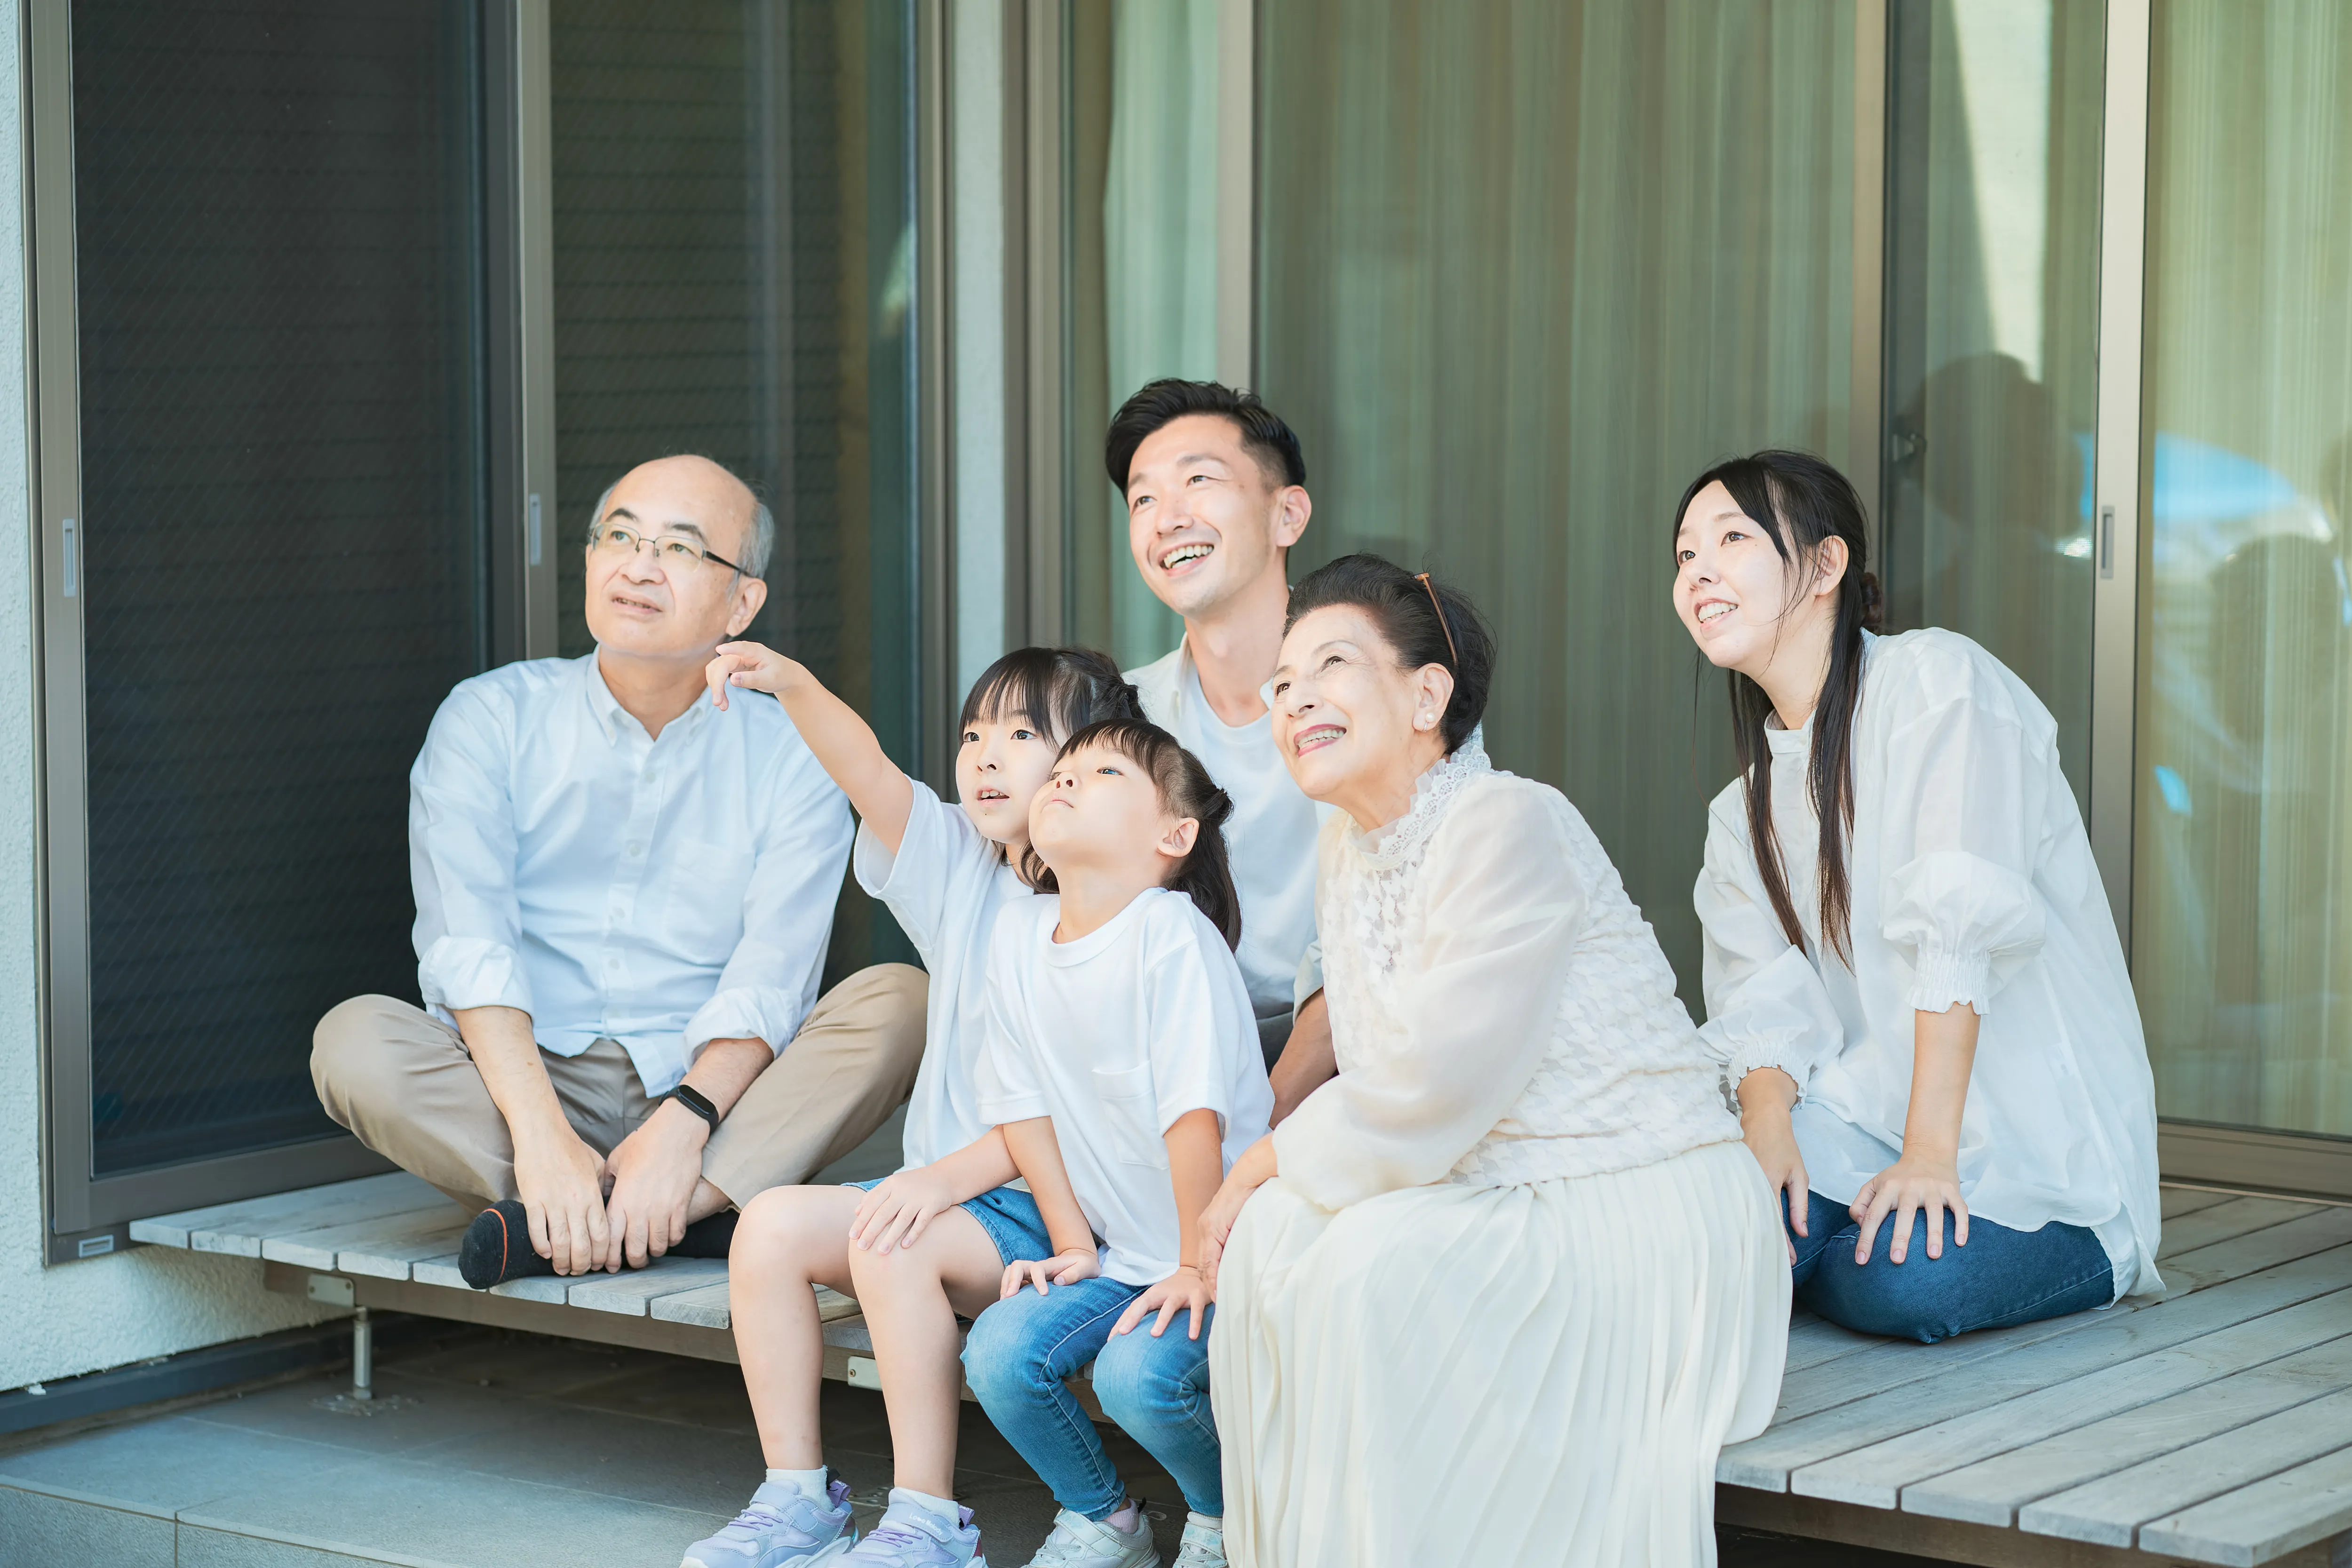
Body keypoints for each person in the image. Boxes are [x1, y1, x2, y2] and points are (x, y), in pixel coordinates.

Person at [1201, 557, 1786, 1568]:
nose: (1293, 699)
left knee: (1359, 1266)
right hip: (1484, 1172)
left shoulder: (1508, 819)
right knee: (1272, 1242)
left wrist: (1257, 1160)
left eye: (1330, 666)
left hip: (1634, 1194)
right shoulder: (1348, 842)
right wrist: (1268, 1182)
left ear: (1428, 694)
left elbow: (1435, 1084)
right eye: (1283, 682)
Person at [312, 455, 925, 1285]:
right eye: (620, 536)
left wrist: (686, 1121)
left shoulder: (793, 751)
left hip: (706, 1092)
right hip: (519, 1080)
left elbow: (771, 977)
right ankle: (675, 1211)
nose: (638, 566)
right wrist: (539, 1134)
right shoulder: (490, 717)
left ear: (742, 601)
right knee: (353, 1043)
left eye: (679, 549)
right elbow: (472, 946)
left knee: (900, 1003)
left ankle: (582, 1218)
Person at [1671, 450, 2162, 1343]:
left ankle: (1876, 1252)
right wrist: (1768, 1122)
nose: (1699, 569)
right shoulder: (1739, 812)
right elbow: (1761, 996)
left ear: (1825, 567)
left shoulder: (1940, 685)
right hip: (1861, 1121)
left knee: (1900, 1287)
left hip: (2031, 1151)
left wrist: (1932, 1156)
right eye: (1684, 555)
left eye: (1732, 539)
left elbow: (1957, 928)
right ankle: (1821, 1244)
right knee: (1709, 1226)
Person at [677, 642, 1144, 1568]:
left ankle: (930, 1520)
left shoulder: (1111, 914)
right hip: (942, 1197)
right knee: (766, 1225)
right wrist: (798, 684)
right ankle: (797, 1499)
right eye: (973, 734)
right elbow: (869, 775)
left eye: (1020, 733)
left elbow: (1059, 1115)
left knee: (889, 1239)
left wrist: (935, 1182)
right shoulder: (962, 869)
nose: (984, 755)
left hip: (1050, 1211)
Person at [839, 719, 1272, 1568]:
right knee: (1000, 1352)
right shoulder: (1018, 938)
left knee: (1136, 1381)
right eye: (1063, 770)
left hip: (1224, 1247)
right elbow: (1026, 1114)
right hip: (1124, 1255)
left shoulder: (1169, 933)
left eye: (1103, 771)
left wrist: (1193, 1264)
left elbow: (1196, 1121)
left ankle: (1228, 1521)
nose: (1066, 781)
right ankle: (1105, 1517)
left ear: (1172, 836)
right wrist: (1073, 1243)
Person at [1109, 381, 1330, 1112]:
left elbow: (1389, 955)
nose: (1168, 519)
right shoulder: (1121, 716)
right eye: (1143, 500)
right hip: (1167, 1067)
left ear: (1287, 514)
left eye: (1198, 481)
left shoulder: (1382, 698)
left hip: (1350, 1062)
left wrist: (1254, 1139)